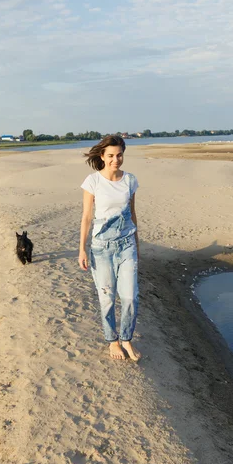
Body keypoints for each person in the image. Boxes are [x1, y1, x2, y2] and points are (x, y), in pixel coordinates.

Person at [79, 135, 141, 361]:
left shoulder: (130, 180)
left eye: (119, 155)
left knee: (130, 296)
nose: (116, 160)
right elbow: (87, 217)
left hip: (127, 245)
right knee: (107, 297)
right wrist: (82, 249)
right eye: (111, 156)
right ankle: (112, 341)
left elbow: (132, 214)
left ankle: (126, 339)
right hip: (101, 248)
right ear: (103, 157)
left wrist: (137, 245)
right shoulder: (93, 181)